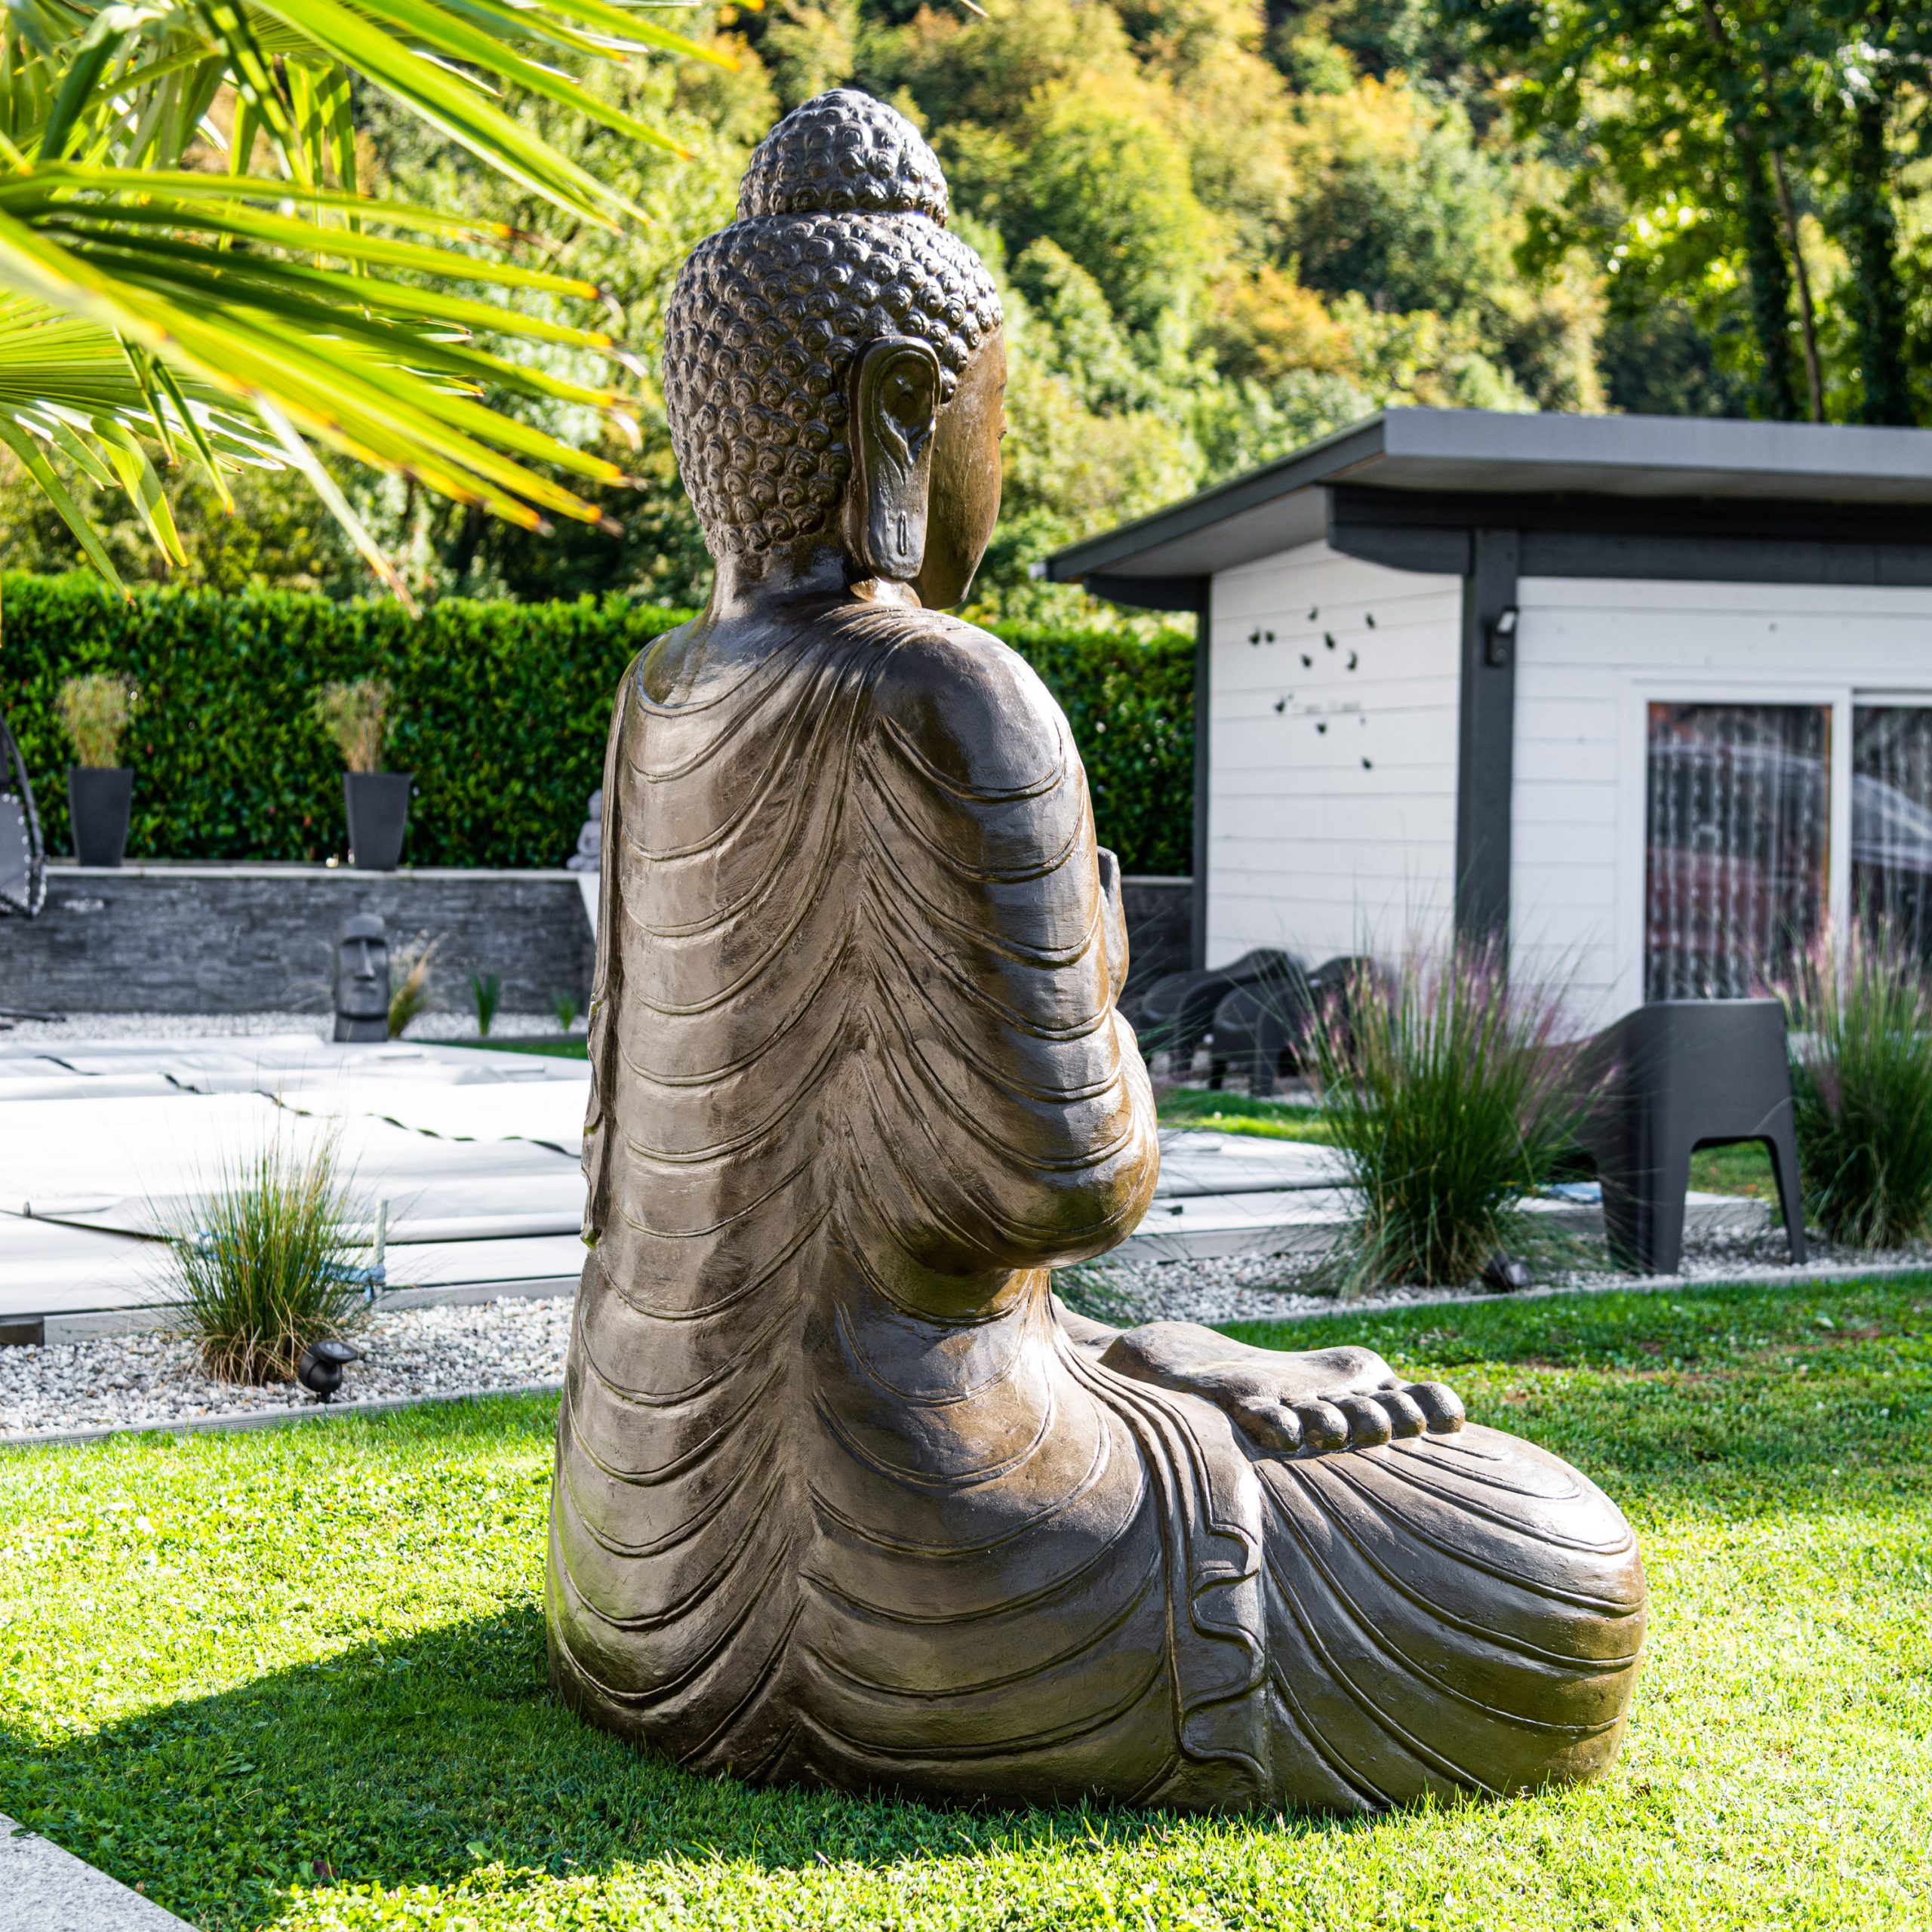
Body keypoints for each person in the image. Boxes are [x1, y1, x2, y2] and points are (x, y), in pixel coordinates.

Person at [547, 91, 1644, 1811]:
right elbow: (1062, 1184)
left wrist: (1149, 1347)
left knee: (1192, 1371)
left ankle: (1147, 1376)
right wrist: (1104, 980)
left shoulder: (658, 695)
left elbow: (629, 1168)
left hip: (635, 1543)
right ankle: (1142, 1422)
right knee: (1549, 1551)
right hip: (923, 1566)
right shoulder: (957, 688)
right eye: (994, 413)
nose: (1000, 457)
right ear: (904, 408)